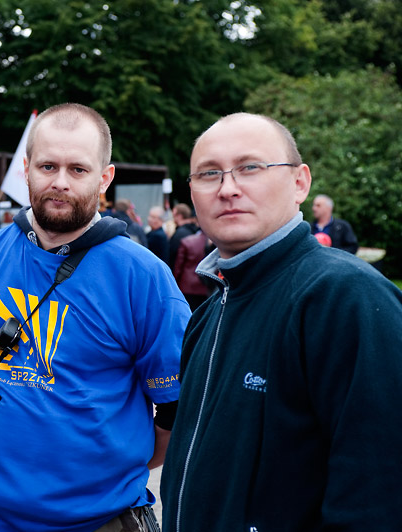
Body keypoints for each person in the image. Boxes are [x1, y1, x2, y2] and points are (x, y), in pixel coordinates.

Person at [0, 103, 190, 532]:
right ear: (26, 170)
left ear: (104, 178)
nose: (60, 182)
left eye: (78, 169)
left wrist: (107, 469)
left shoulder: (143, 276)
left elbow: (175, 409)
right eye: (48, 166)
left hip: (100, 520)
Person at [160, 112, 402, 530]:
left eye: (250, 167)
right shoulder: (207, 316)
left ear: (300, 183)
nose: (228, 188)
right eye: (209, 173)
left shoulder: (345, 298)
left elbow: (378, 494)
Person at [168, 203, 197, 269]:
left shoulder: (180, 233)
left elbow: (174, 256)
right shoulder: (194, 230)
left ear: (179, 216)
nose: (173, 218)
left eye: (174, 215)